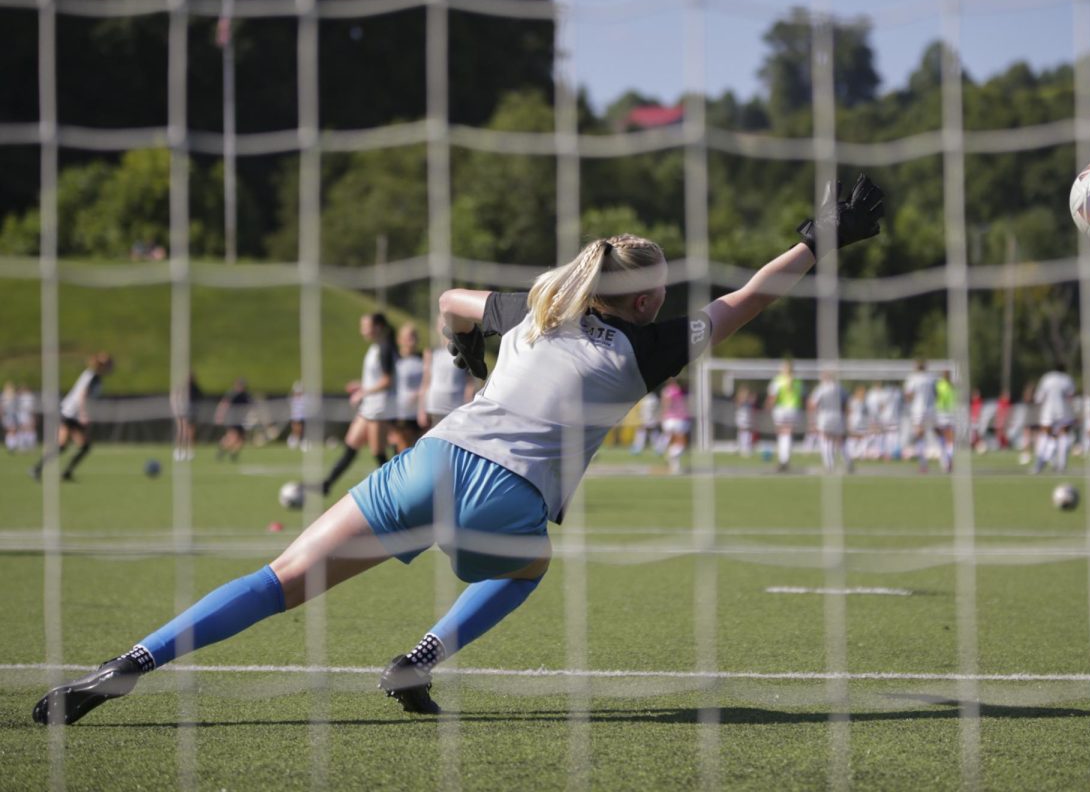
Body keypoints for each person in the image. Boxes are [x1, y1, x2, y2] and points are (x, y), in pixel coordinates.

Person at [29, 175, 885, 726]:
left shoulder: (530, 309)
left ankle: (128, 663)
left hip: (432, 461)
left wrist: (460, 353)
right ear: (649, 294)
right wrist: (814, 239)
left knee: (280, 581)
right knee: (523, 570)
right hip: (507, 503)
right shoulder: (649, 348)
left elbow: (445, 298)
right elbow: (747, 301)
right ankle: (417, 661)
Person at [319, 313, 399, 495]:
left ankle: (396, 489)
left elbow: (388, 381)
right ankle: (326, 485)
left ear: (377, 327)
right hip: (369, 406)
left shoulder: (385, 348)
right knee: (351, 444)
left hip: (379, 408)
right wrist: (361, 386)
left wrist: (364, 392)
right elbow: (376, 379)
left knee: (378, 453)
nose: (362, 330)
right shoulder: (375, 348)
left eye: (365, 326)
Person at [31, 352, 114, 482]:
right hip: (70, 413)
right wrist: (83, 414)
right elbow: (82, 395)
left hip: (73, 414)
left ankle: (53, 471)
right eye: (109, 365)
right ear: (103, 366)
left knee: (75, 446)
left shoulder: (96, 378)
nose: (111, 368)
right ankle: (42, 469)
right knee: (74, 446)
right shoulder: (91, 376)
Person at [419, 319, 474, 430]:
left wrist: (467, 407)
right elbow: (426, 381)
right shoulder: (431, 353)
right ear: (437, 327)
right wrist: (421, 409)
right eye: (442, 323)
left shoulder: (464, 352)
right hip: (434, 407)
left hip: (455, 407)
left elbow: (470, 383)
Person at [1032, 364, 1075, 474]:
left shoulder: (1047, 378)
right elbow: (1071, 396)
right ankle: (1062, 464)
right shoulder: (1067, 379)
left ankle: (1039, 464)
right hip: (1064, 410)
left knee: (1045, 436)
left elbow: (1039, 397)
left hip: (1048, 411)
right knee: (1063, 436)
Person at [808, 370, 852, 473]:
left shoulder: (821, 388)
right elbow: (846, 403)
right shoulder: (839, 388)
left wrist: (812, 419)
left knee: (825, 439)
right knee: (839, 440)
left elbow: (813, 403)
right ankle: (848, 461)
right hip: (837, 416)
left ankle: (829, 464)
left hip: (825, 416)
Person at [393, 323, 427, 452]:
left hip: (420, 414)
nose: (411, 340)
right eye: (408, 337)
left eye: (414, 336)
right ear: (399, 340)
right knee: (402, 453)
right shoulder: (394, 360)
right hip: (401, 414)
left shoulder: (424, 358)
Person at [765, 360, 803, 471]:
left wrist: (767, 408)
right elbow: (800, 397)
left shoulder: (778, 380)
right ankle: (785, 459)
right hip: (794, 410)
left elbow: (772, 397)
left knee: (783, 435)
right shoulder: (798, 381)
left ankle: (783, 461)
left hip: (781, 410)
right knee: (788, 435)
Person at [903, 360, 937, 473]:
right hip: (931, 409)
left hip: (918, 409)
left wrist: (909, 404)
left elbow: (908, 394)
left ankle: (923, 463)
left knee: (919, 435)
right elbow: (936, 393)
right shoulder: (932, 378)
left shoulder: (913, 378)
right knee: (935, 433)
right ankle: (946, 458)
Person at [214, 378, 252, 461]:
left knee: (241, 439)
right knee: (232, 437)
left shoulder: (246, 395)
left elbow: (249, 406)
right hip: (232, 418)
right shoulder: (232, 394)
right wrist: (219, 416)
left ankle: (233, 454)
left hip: (241, 419)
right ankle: (221, 450)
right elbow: (224, 405)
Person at [660, 377, 691, 474]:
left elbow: (665, 404)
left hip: (668, 420)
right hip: (681, 419)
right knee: (681, 443)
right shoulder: (683, 391)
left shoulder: (666, 391)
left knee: (672, 441)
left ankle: (675, 466)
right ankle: (673, 454)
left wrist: (662, 416)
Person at [171, 372, 202, 462]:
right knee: (182, 430)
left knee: (190, 431)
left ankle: (189, 450)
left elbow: (200, 398)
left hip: (191, 412)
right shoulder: (182, 388)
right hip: (181, 412)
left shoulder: (195, 388)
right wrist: (176, 409)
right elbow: (175, 398)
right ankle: (178, 450)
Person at [934, 370, 956, 472]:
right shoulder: (953, 386)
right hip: (951, 413)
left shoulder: (940, 385)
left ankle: (946, 461)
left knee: (943, 439)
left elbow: (936, 397)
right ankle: (948, 461)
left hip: (942, 413)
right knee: (949, 439)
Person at [733, 385, 757, 458]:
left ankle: (747, 448)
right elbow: (738, 404)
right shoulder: (739, 399)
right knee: (742, 431)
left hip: (747, 417)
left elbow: (752, 402)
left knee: (748, 431)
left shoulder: (748, 400)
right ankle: (742, 448)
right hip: (741, 417)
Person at [3, 381, 16, 453]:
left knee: (12, 431)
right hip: (7, 415)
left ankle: (11, 446)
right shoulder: (4, 396)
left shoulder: (13, 397)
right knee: (10, 430)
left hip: (12, 415)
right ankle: (10, 446)